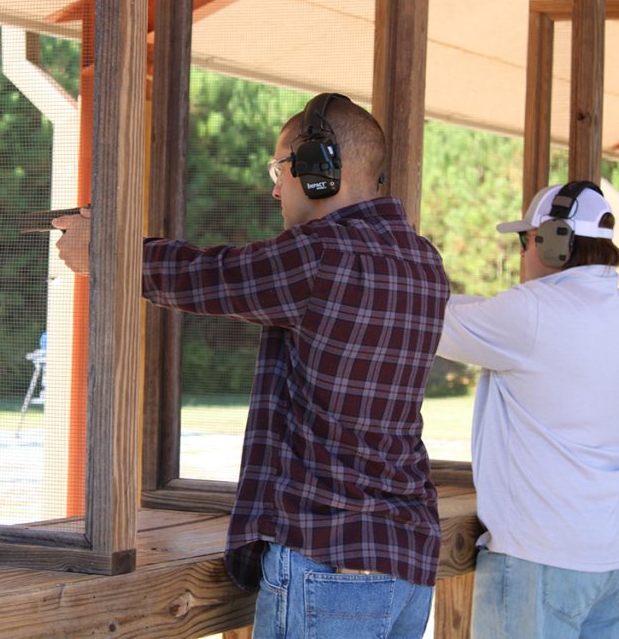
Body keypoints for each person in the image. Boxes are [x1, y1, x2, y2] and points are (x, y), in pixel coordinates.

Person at [54, 93, 448, 638]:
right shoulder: (422, 260)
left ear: (318, 171)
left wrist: (109, 251)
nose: (274, 186)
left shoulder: (321, 256)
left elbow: (211, 276)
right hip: (407, 564)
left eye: (280, 168)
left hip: (329, 564)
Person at [435, 181, 619, 638]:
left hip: (540, 563)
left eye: (525, 239)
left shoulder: (531, 312)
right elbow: (490, 315)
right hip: (611, 562)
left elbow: (429, 320)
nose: (522, 252)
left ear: (555, 242)